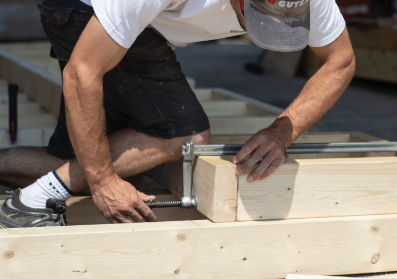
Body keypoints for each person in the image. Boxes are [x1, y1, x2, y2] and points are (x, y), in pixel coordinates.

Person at [0, 0, 355, 227]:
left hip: (127, 21)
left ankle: (35, 180)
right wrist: (103, 182)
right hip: (84, 10)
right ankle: (31, 202)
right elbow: (82, 72)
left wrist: (282, 132)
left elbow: (341, 60)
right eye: (260, 20)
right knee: (184, 134)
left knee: (90, 162)